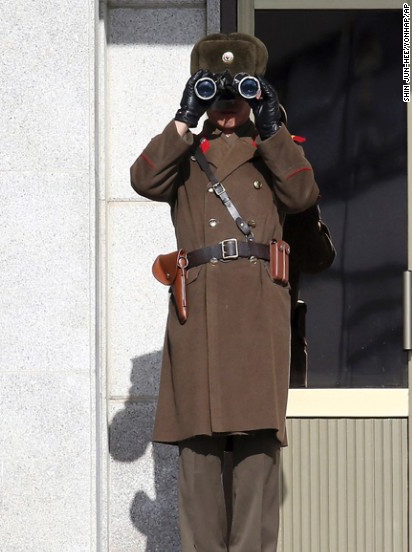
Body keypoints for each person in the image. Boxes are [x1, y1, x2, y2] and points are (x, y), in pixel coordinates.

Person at [130, 33, 320, 551]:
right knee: (199, 471)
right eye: (216, 93)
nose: (228, 106)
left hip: (258, 319)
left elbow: (303, 195)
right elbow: (142, 180)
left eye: (240, 94)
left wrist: (274, 125)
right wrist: (182, 117)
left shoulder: (274, 153)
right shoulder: (185, 156)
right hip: (201, 322)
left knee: (257, 469)